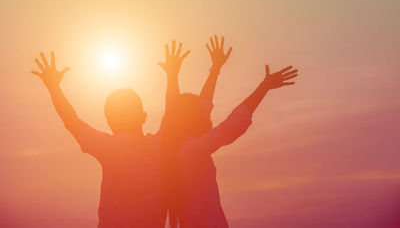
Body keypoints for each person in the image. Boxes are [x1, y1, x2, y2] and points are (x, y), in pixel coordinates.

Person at [159, 36, 298, 227]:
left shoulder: (174, 143)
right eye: (202, 113)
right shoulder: (191, 151)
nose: (208, 114)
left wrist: (211, 69)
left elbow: (187, 108)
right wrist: (263, 88)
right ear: (193, 118)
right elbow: (231, 126)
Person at [32, 52, 166, 227]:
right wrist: (174, 75)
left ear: (109, 122)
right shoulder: (159, 144)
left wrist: (53, 87)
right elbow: (176, 116)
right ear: (143, 116)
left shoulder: (107, 146)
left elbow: (71, 120)